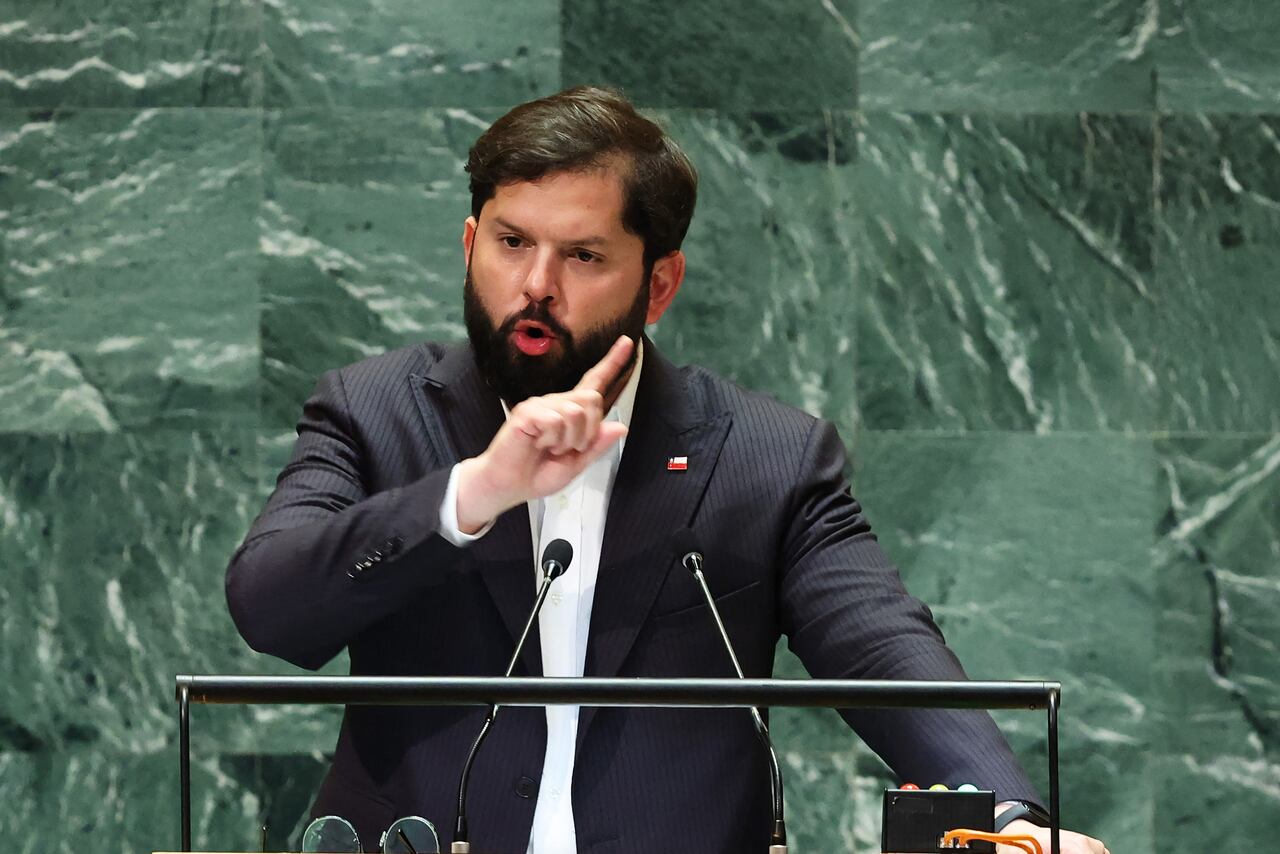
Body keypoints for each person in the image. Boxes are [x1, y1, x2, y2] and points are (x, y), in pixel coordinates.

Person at [226, 86, 1107, 854]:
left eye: (583, 256)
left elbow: (881, 647)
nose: (536, 285)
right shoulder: (375, 411)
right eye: (510, 242)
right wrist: (475, 493)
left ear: (659, 284)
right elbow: (269, 608)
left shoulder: (767, 457)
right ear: (467, 243)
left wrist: (1010, 819)